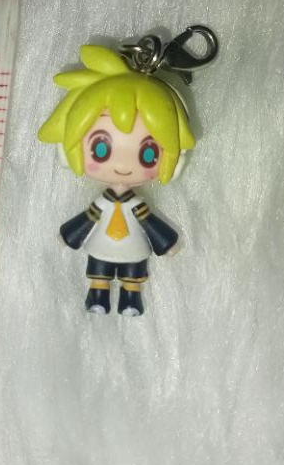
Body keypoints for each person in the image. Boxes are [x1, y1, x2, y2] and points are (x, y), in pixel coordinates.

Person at [38, 44, 196, 316]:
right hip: (102, 246)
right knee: (98, 271)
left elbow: (151, 224)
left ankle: (131, 299)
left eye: (148, 154)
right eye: (101, 149)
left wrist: (167, 242)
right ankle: (97, 296)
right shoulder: (103, 204)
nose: (122, 165)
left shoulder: (137, 206)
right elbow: (87, 219)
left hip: (134, 248)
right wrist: (69, 235)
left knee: (133, 275)